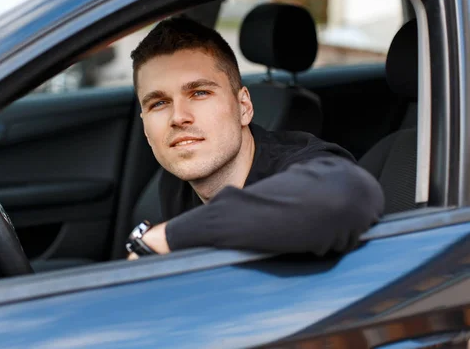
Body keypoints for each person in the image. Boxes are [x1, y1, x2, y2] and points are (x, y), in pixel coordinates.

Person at [125, 16, 384, 259]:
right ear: (146, 129)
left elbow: (345, 192)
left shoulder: (296, 164)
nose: (178, 117)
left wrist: (169, 236)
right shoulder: (176, 181)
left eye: (200, 93)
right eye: (158, 103)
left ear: (244, 107)